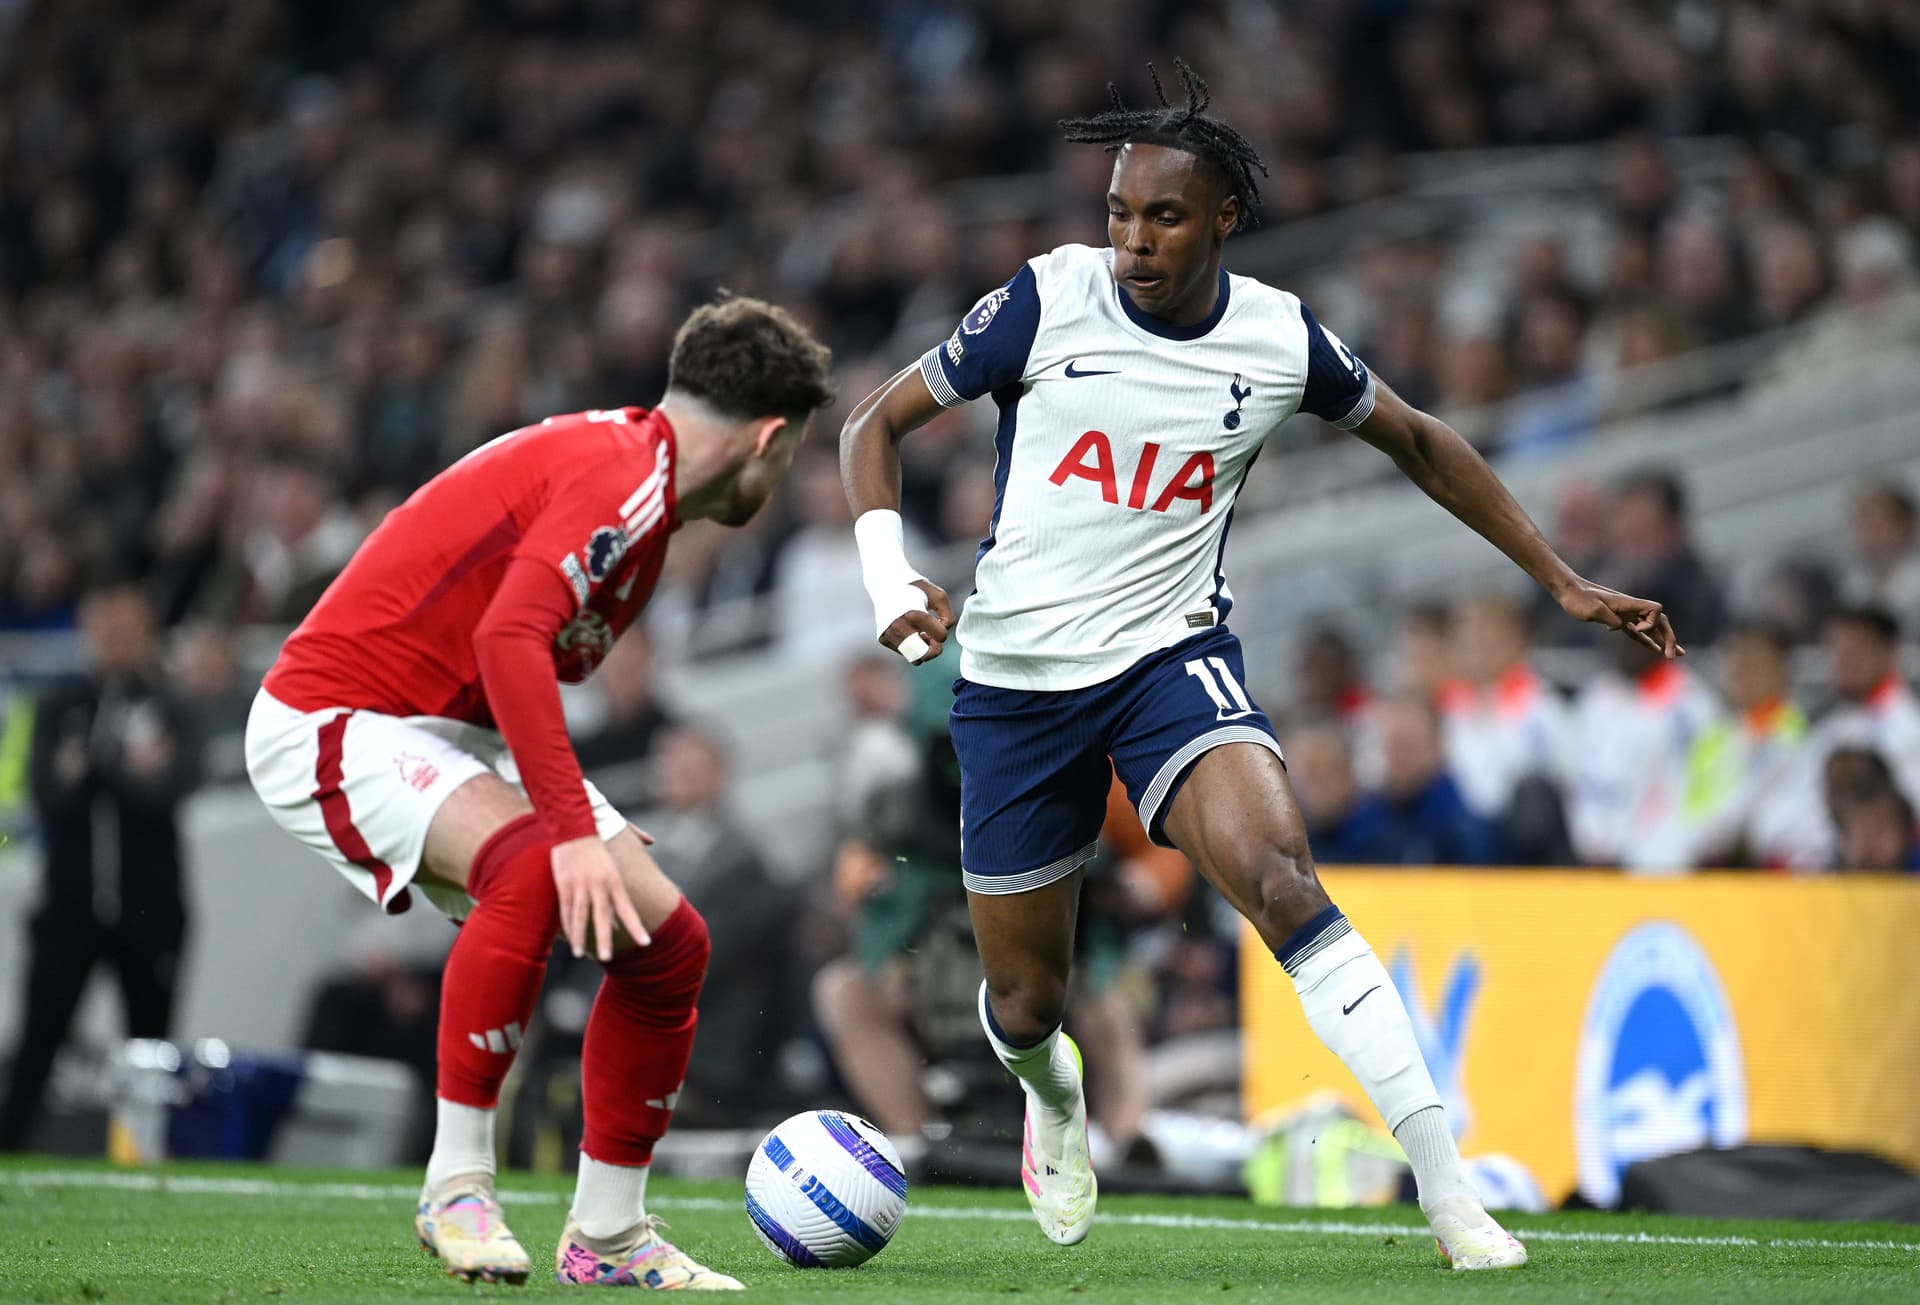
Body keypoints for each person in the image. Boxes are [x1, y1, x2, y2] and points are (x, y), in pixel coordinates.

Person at [840, 60, 1680, 1269]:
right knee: (1026, 1006)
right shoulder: (1047, 298)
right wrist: (889, 581)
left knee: (1284, 879)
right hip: (1015, 684)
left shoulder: (1279, 338)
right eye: (1120, 214)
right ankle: (1053, 1094)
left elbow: (1420, 441)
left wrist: (1560, 580)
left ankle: (1451, 1196)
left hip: (1167, 660)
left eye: (1164, 217)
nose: (1133, 241)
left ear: (1224, 218)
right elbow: (871, 425)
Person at [245, 296, 834, 1290]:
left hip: (445, 729)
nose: (777, 483)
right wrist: (568, 827)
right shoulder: (625, 482)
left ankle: (609, 1236)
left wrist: (569, 812)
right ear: (769, 438)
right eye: (790, 458)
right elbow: (509, 637)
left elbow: (502, 652)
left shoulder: (637, 485)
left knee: (668, 947)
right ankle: (455, 1186)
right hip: (335, 715)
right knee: (531, 865)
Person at [0, 582, 200, 1151]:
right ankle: (10, 1149)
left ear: (146, 633)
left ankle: (144, 1156)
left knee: (151, 1046)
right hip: (68, 908)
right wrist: (123, 770)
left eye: (126, 629)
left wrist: (97, 770)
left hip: (150, 908)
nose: (115, 642)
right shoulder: (59, 707)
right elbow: (48, 797)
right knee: (39, 1037)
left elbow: (168, 792)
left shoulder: (168, 706)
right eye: (105, 629)